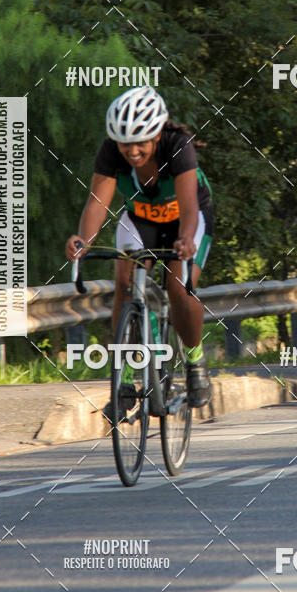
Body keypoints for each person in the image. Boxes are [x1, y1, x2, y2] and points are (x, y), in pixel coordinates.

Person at [65, 86, 213, 408]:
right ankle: (124, 378)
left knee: (178, 289)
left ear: (157, 134)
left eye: (141, 141)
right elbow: (97, 204)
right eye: (124, 142)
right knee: (124, 287)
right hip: (141, 219)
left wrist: (186, 239)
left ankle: (194, 360)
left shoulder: (178, 146)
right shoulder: (109, 152)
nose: (132, 150)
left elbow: (189, 205)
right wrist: (83, 241)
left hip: (185, 220)